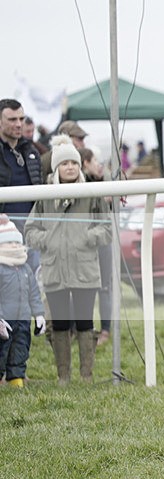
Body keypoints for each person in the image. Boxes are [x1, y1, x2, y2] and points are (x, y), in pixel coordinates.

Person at [24, 135, 112, 384]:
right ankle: (63, 376)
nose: (70, 167)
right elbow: (30, 231)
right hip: (55, 269)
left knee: (85, 322)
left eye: (74, 163)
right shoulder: (44, 198)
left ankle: (86, 376)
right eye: (64, 164)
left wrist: (86, 237)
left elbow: (106, 229)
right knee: (60, 324)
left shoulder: (92, 194)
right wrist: (48, 241)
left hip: (84, 268)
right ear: (56, 168)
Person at [0, 214, 45, 388]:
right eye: (8, 242)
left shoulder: (26, 268)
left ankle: (16, 379)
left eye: (16, 242)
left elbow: (33, 293)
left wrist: (39, 314)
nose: (14, 246)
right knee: (2, 351)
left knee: (20, 349)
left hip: (23, 321)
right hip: (4, 322)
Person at [79, 147, 112, 346]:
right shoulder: (78, 186)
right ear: (85, 163)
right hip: (84, 245)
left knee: (104, 287)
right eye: (95, 161)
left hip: (101, 243)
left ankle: (105, 330)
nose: (99, 165)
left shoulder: (103, 181)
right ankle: (85, 330)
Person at [0, 99, 44, 233]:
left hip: (32, 229)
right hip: (4, 231)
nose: (19, 124)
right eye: (12, 119)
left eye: (21, 119)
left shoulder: (31, 151)